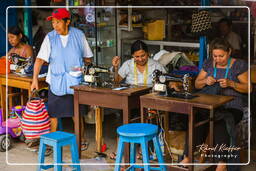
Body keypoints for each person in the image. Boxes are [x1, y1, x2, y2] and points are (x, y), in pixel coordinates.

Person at [181, 37, 251, 171]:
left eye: (221, 56)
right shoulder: (208, 63)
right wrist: (205, 81)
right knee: (196, 119)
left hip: (232, 106)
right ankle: (188, 156)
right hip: (209, 104)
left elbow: (249, 88)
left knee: (220, 121)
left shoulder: (239, 65)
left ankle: (222, 162)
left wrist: (232, 84)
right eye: (215, 56)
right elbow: (197, 83)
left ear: (229, 52)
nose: (218, 59)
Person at [31, 8, 93, 150]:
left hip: (75, 83)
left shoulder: (79, 35)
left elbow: (88, 58)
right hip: (56, 82)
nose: (55, 25)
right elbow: (40, 60)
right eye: (53, 22)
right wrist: (35, 79)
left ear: (68, 22)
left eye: (58, 22)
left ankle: (80, 141)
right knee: (53, 115)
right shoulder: (50, 37)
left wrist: (80, 67)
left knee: (77, 115)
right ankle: (53, 143)